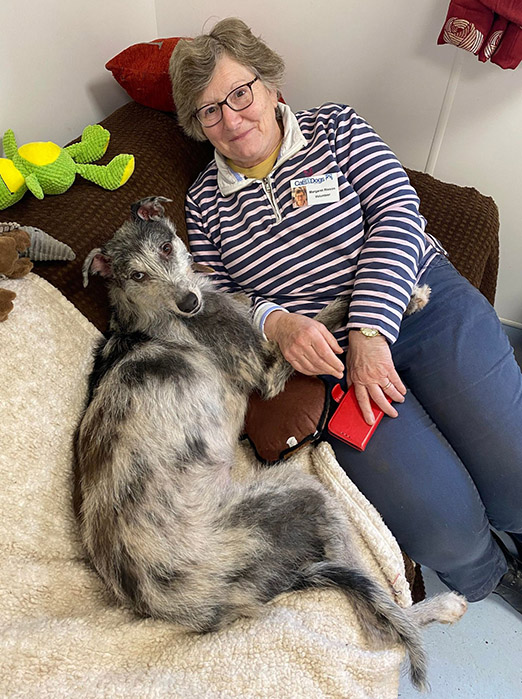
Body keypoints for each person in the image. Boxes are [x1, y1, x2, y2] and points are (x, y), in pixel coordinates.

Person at [169, 17, 522, 613]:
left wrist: (370, 328)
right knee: (444, 527)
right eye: (208, 112)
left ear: (271, 86)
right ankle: (492, 573)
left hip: (419, 303)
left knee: (512, 462)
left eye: (239, 93)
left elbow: (397, 211)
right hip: (328, 362)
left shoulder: (338, 127)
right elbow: (217, 298)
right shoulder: (204, 201)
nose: (231, 119)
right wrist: (275, 323)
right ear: (196, 126)